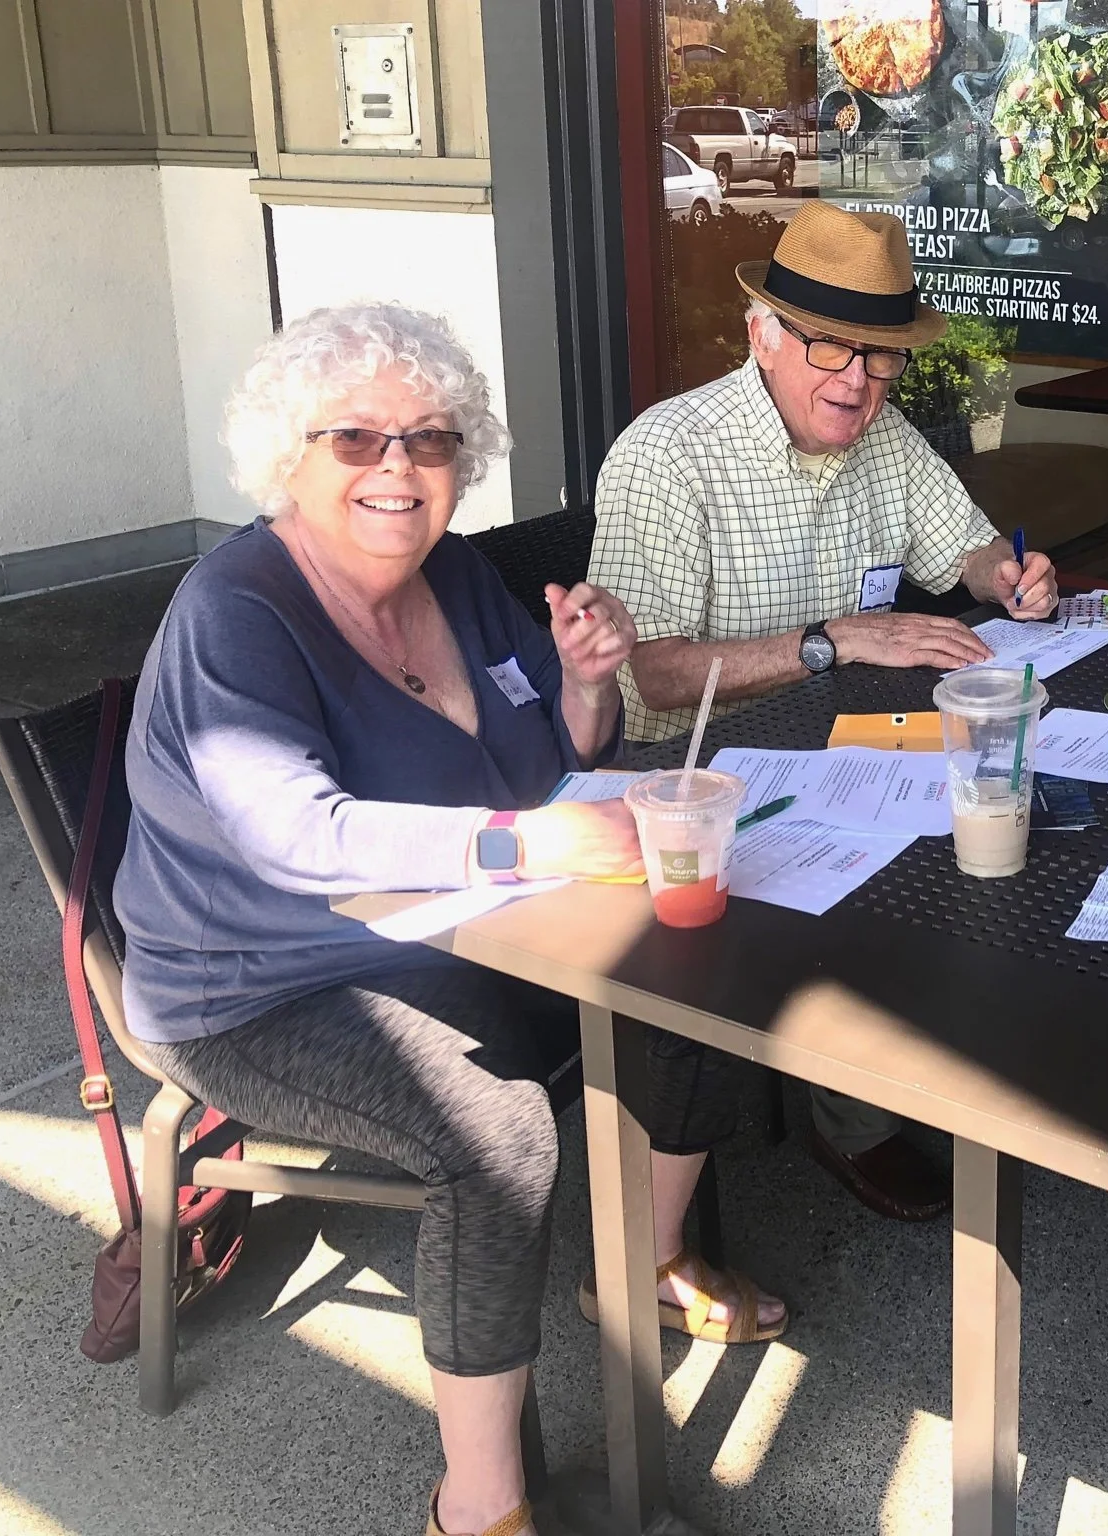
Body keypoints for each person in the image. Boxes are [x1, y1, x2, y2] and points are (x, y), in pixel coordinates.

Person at [117, 306, 786, 1536]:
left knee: (705, 961)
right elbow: (296, 835)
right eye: (357, 437)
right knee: (499, 1137)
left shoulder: (459, 575)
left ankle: (640, 1262)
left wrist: (585, 683)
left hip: (457, 931)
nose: (399, 467)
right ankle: (478, 1509)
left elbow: (545, 764)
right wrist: (526, 844)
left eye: (430, 438)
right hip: (254, 984)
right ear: (287, 454)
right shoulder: (236, 610)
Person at [588, 202, 1058, 1222]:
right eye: (830, 347)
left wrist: (1007, 574)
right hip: (703, 777)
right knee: (897, 861)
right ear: (761, 333)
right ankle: (846, 1116)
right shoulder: (669, 454)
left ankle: (925, 1076)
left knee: (1014, 812)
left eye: (882, 357)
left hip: (850, 748)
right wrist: (829, 640)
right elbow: (653, 678)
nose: (857, 381)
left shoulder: (883, 436)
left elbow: (966, 549)